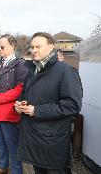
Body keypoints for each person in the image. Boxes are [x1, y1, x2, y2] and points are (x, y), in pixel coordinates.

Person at [14, 32, 82, 174]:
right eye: (32, 47)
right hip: (34, 138)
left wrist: (36, 111)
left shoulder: (66, 71)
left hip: (53, 142)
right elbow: (25, 93)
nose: (34, 50)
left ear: (51, 46)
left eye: (38, 46)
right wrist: (20, 103)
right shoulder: (32, 69)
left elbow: (73, 105)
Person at [0, 35, 27, 174]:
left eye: (3, 47)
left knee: (12, 145)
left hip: (9, 112)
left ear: (12, 46)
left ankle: (16, 171)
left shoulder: (20, 64)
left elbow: (20, 88)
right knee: (0, 142)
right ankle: (2, 167)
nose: (0, 49)